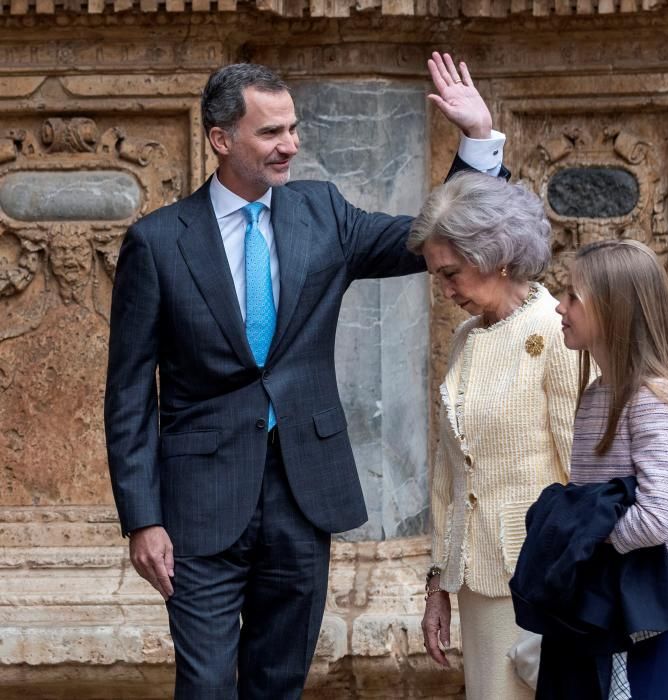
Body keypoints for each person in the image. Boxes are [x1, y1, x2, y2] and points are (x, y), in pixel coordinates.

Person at [104, 53, 507, 700]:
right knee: (205, 683)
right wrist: (141, 518)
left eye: (292, 128)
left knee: (278, 682)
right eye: (270, 132)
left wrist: (478, 142)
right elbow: (126, 394)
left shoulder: (323, 214)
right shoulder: (157, 242)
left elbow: (430, 237)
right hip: (198, 499)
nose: (289, 144)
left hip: (303, 492)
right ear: (220, 138)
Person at [409, 172, 579, 699]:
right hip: (477, 579)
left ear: (496, 256)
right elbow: (447, 470)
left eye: (452, 273)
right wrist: (437, 583)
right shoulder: (466, 336)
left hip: (543, 578)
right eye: (438, 277)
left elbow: (585, 473)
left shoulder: (558, 331)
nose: (445, 291)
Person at [555, 238, 668, 698]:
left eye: (573, 297)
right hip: (608, 593)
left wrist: (583, 536)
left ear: (614, 309)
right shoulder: (598, 393)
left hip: (650, 602)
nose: (560, 307)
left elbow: (656, 518)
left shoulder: (653, 398)